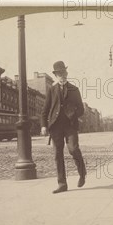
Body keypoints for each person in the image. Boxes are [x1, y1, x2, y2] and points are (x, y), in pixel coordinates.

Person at [40, 61, 86, 194]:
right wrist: (43, 125)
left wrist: (73, 114)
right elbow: (45, 110)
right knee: (57, 155)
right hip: (56, 127)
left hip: (70, 126)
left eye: (64, 73)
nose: (62, 76)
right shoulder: (51, 90)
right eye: (59, 74)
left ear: (66, 73)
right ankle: (62, 184)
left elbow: (81, 109)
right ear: (56, 75)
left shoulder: (74, 89)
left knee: (73, 149)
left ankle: (82, 173)